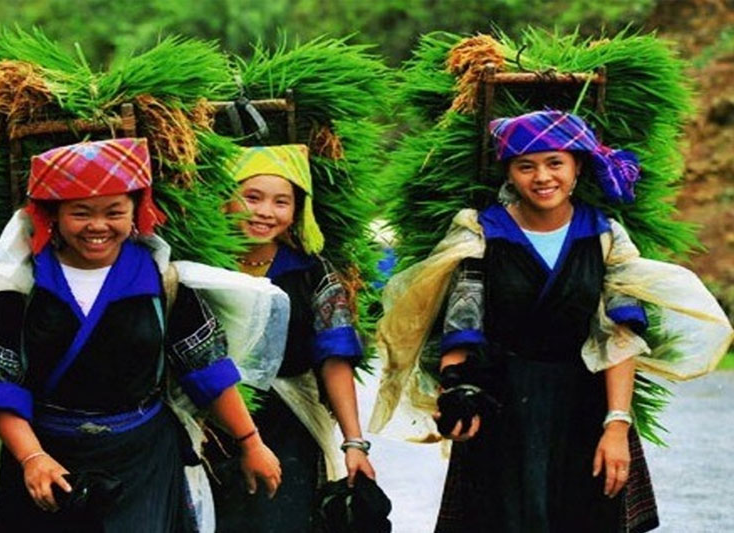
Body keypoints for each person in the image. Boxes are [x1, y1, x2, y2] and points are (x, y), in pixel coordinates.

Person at [371, 109, 727, 533]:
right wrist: (456, 395)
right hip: (501, 406)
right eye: (526, 166)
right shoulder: (482, 234)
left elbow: (618, 337)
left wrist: (616, 424)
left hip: (584, 406)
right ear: (509, 173)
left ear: (577, 168)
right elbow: (462, 325)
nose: (542, 177)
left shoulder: (604, 236)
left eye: (555, 163)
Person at [0, 137, 282, 532]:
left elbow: (207, 369)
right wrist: (32, 458)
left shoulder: (162, 282)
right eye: (81, 213)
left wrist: (251, 443)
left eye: (114, 212)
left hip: (143, 462)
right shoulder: (18, 287)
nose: (98, 226)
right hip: (47, 461)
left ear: (137, 212)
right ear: (53, 215)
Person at [205, 144, 376, 532]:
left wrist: (354, 442)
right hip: (209, 427)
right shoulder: (199, 267)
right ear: (225, 198)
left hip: (289, 427)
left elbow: (334, 357)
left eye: (281, 202)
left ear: (298, 210)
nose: (266, 212)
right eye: (252, 197)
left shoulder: (311, 272)